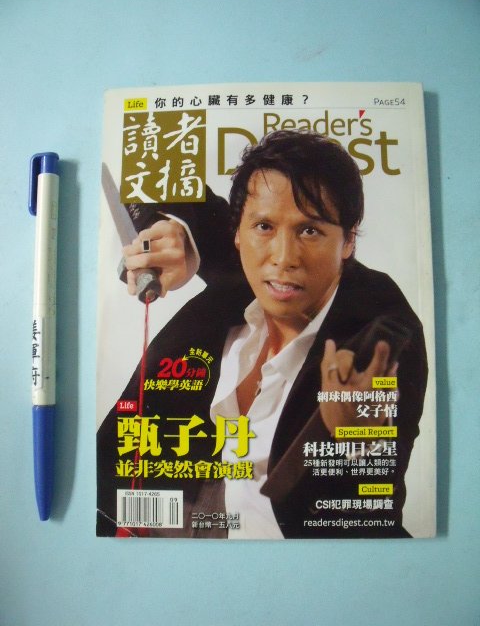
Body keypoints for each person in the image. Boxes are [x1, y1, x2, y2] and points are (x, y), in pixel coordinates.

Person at [97, 130, 428, 538]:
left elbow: (364, 510)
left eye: (311, 231)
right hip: (161, 510)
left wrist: (353, 442)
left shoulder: (381, 328)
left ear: (348, 241)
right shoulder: (249, 266)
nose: (284, 258)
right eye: (265, 226)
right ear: (236, 232)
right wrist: (175, 229)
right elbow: (149, 156)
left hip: (280, 542)